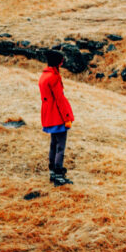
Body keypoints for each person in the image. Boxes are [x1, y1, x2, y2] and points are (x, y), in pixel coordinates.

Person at [39, 52, 75, 186]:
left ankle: (53, 172)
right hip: (58, 116)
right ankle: (59, 175)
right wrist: (67, 118)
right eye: (61, 61)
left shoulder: (44, 76)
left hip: (49, 115)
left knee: (53, 144)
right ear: (58, 62)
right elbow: (60, 99)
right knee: (60, 146)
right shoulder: (54, 77)